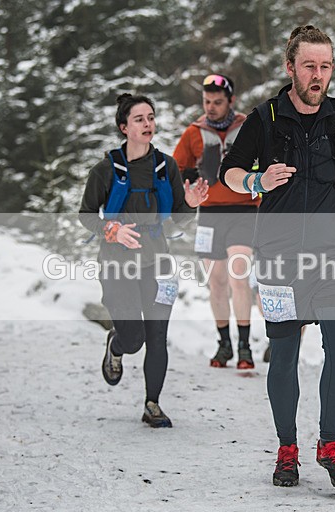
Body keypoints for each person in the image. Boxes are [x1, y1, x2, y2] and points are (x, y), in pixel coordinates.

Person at [220, 25, 335, 491]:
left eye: (325, 66)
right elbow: (229, 173)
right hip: (280, 258)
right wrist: (257, 183)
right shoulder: (263, 120)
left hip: (332, 254)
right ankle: (287, 449)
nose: (319, 75)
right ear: (291, 68)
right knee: (283, 356)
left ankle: (329, 443)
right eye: (310, 66)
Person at [79, 94, 209, 427]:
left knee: (156, 335)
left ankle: (152, 404)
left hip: (158, 262)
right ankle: (117, 345)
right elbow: (86, 215)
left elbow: (179, 219)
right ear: (124, 127)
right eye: (139, 119)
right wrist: (112, 230)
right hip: (116, 263)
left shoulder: (167, 167)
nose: (148, 124)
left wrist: (191, 203)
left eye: (151, 117)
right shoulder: (106, 170)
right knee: (134, 338)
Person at [173, 74, 262, 369]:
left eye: (217, 102)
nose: (211, 107)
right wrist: (190, 182)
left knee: (239, 275)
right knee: (217, 281)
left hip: (245, 211)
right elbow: (177, 170)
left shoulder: (249, 127)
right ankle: (224, 343)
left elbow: (268, 159)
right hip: (210, 214)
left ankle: (244, 346)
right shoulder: (194, 132)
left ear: (231, 101)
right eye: (207, 102)